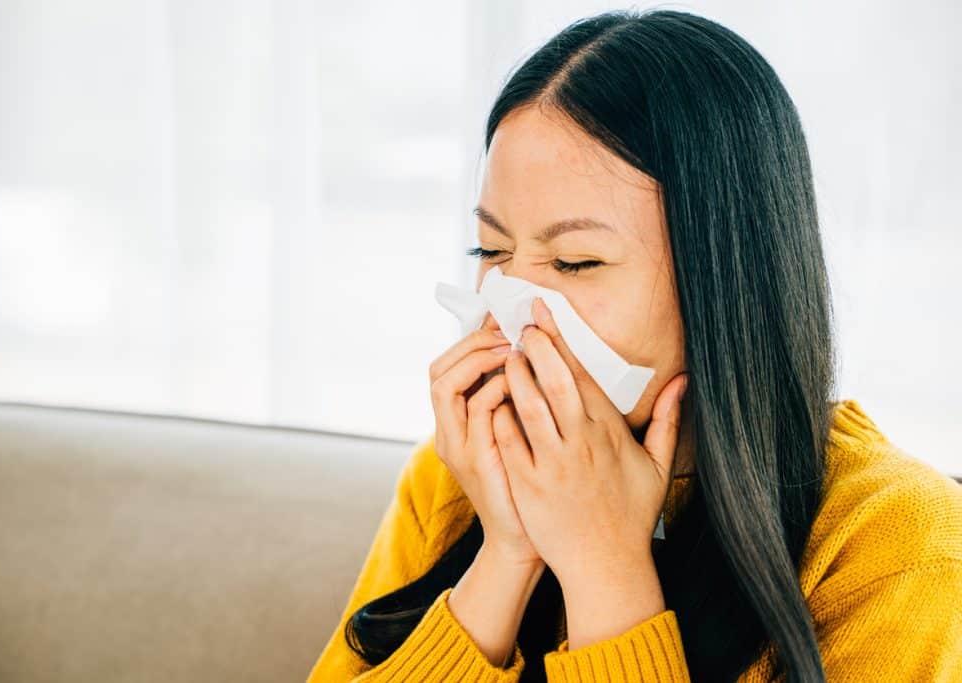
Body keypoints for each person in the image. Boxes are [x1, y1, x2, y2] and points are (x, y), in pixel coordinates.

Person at [307, 8, 962, 682]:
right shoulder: (456, 477)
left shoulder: (900, 540)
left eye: (575, 263)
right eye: (491, 249)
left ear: (727, 277)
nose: (508, 311)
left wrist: (605, 568)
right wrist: (507, 555)